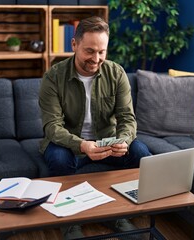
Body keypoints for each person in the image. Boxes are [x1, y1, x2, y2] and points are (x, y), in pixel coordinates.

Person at [39, 16, 151, 239]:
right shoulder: (53, 77)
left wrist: (124, 140)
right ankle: (70, 222)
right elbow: (52, 126)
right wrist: (83, 145)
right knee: (59, 160)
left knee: (140, 153)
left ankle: (118, 214)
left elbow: (127, 118)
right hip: (70, 144)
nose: (96, 58)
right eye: (89, 51)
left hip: (106, 142)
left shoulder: (116, 73)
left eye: (102, 52)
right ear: (74, 45)